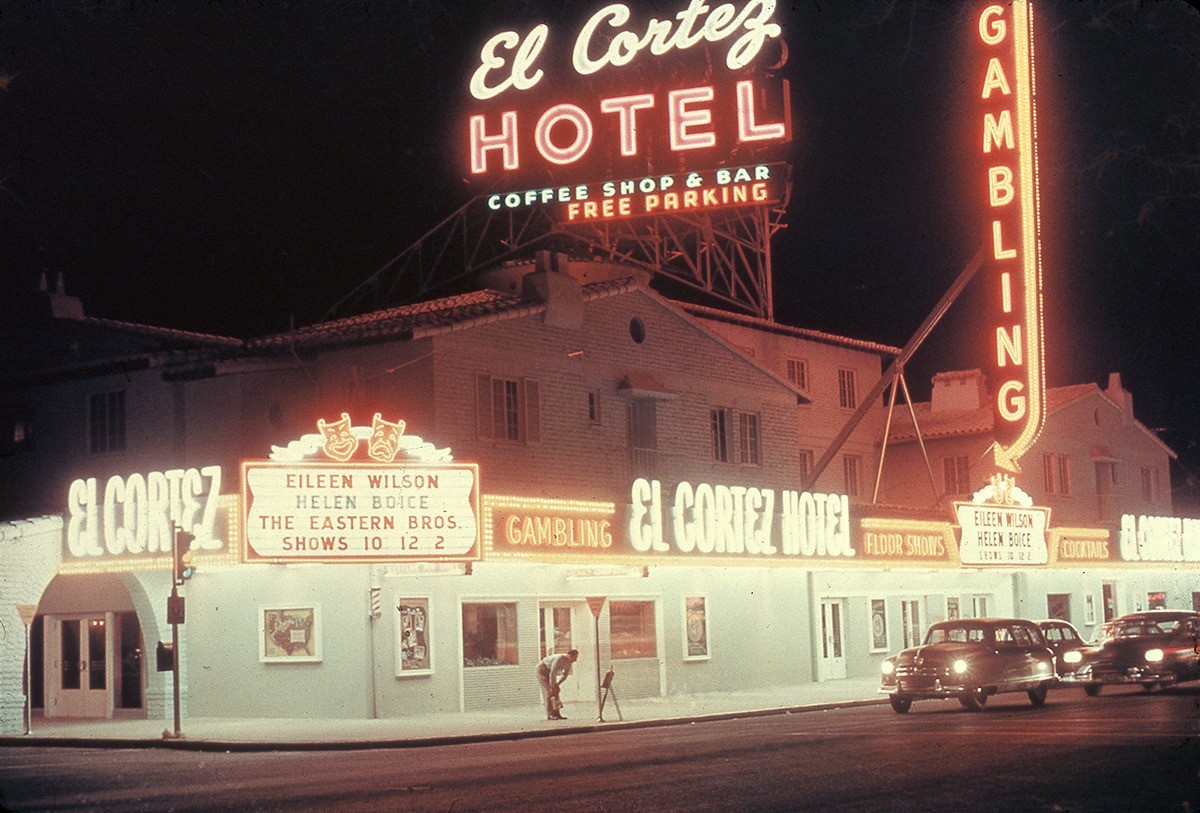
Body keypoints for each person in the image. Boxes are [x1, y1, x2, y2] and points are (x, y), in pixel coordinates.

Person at [536, 649, 579, 720]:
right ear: (570, 655)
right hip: (542, 670)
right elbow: (553, 672)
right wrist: (552, 687)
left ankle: (557, 713)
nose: (575, 659)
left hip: (550, 672)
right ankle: (550, 715)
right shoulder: (559, 658)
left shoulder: (569, 662)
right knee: (550, 692)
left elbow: (565, 675)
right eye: (575, 657)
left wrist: (558, 684)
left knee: (556, 691)